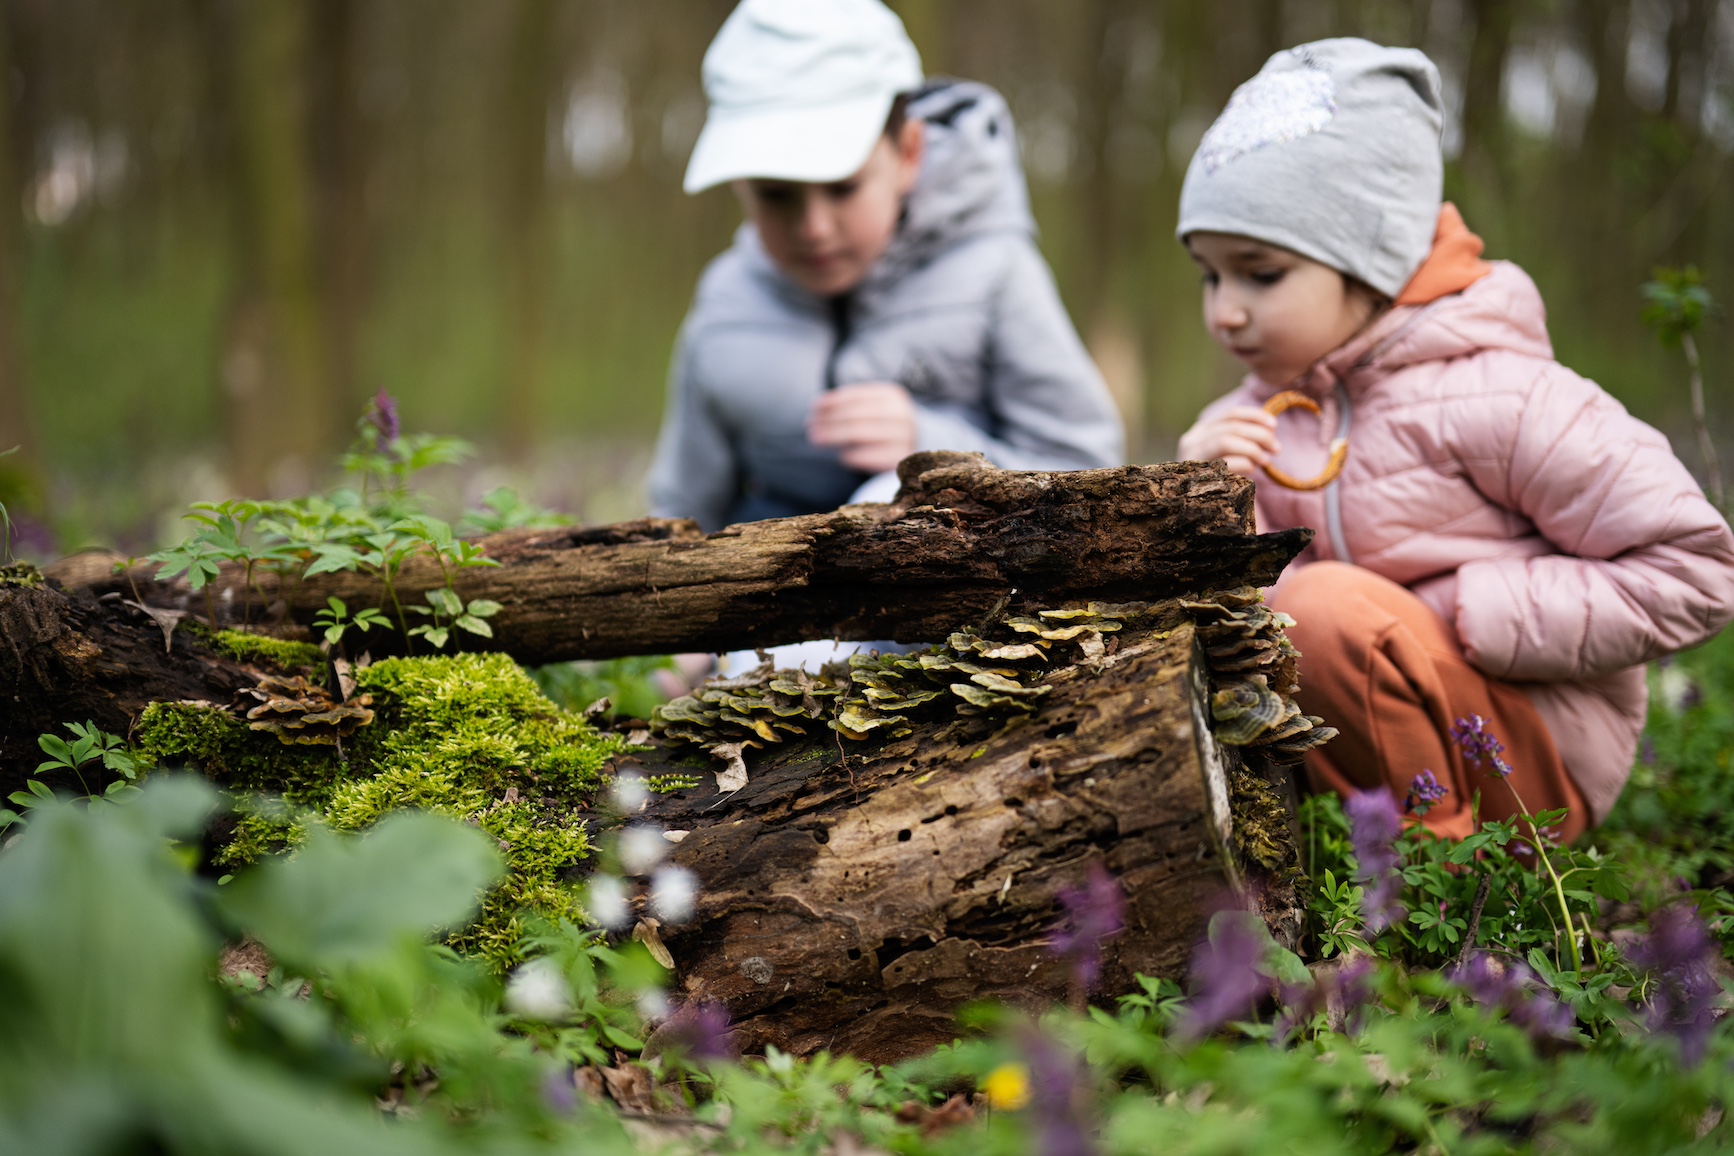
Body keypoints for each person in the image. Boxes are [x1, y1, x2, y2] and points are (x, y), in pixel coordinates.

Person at [1173, 38, 1734, 842]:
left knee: (1320, 613)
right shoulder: (1253, 418)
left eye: (1260, 275)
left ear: (1374, 265)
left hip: (1524, 766)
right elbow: (1231, 621)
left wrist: (1463, 610)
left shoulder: (1502, 396)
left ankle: (1443, 894)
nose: (1225, 309)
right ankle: (1319, 854)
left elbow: (1698, 570)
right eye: (1209, 274)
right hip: (1354, 739)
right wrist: (1195, 504)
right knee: (1304, 618)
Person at [646, 0, 1124, 532]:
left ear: (909, 153)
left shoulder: (993, 273)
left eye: (843, 187)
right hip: (771, 587)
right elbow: (683, 506)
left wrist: (931, 446)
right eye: (776, 195)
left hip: (952, 582)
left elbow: (1089, 463)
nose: (814, 227)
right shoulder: (726, 301)